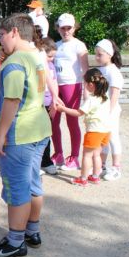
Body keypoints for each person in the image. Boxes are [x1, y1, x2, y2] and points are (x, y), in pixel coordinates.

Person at [0, 13, 51, 257]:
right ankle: (31, 232)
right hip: (39, 129)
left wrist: (0, 135)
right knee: (33, 183)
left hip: (19, 133)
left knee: (17, 188)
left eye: (2, 35)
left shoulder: (15, 62)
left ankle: (15, 242)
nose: (0, 41)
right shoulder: (36, 57)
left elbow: (12, 100)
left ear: (14, 32)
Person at [55, 68, 111, 186]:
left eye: (85, 83)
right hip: (105, 131)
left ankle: (83, 178)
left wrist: (63, 109)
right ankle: (95, 176)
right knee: (97, 154)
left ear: (90, 85)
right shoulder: (105, 97)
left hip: (94, 131)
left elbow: (78, 113)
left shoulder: (91, 100)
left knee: (87, 155)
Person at [52, 13, 89, 171]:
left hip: (72, 85)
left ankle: (74, 157)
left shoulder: (79, 45)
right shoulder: (56, 45)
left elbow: (85, 69)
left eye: (69, 28)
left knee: (71, 121)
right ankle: (58, 153)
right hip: (56, 85)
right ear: (58, 29)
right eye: (63, 28)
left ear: (74, 28)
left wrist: (87, 92)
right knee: (53, 120)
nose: (66, 31)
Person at [95, 39, 124, 180]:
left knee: (112, 137)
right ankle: (102, 165)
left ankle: (116, 167)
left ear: (109, 54)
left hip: (110, 110)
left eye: (100, 54)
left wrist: (109, 112)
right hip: (100, 110)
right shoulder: (99, 70)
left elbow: (114, 94)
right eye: (96, 54)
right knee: (102, 138)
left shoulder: (113, 71)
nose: (97, 57)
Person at [39, 38, 60, 175]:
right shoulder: (38, 65)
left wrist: (55, 101)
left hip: (48, 104)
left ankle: (45, 161)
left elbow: (54, 83)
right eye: (49, 56)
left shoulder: (51, 66)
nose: (51, 59)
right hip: (38, 105)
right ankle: (37, 162)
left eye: (53, 56)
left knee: (46, 134)